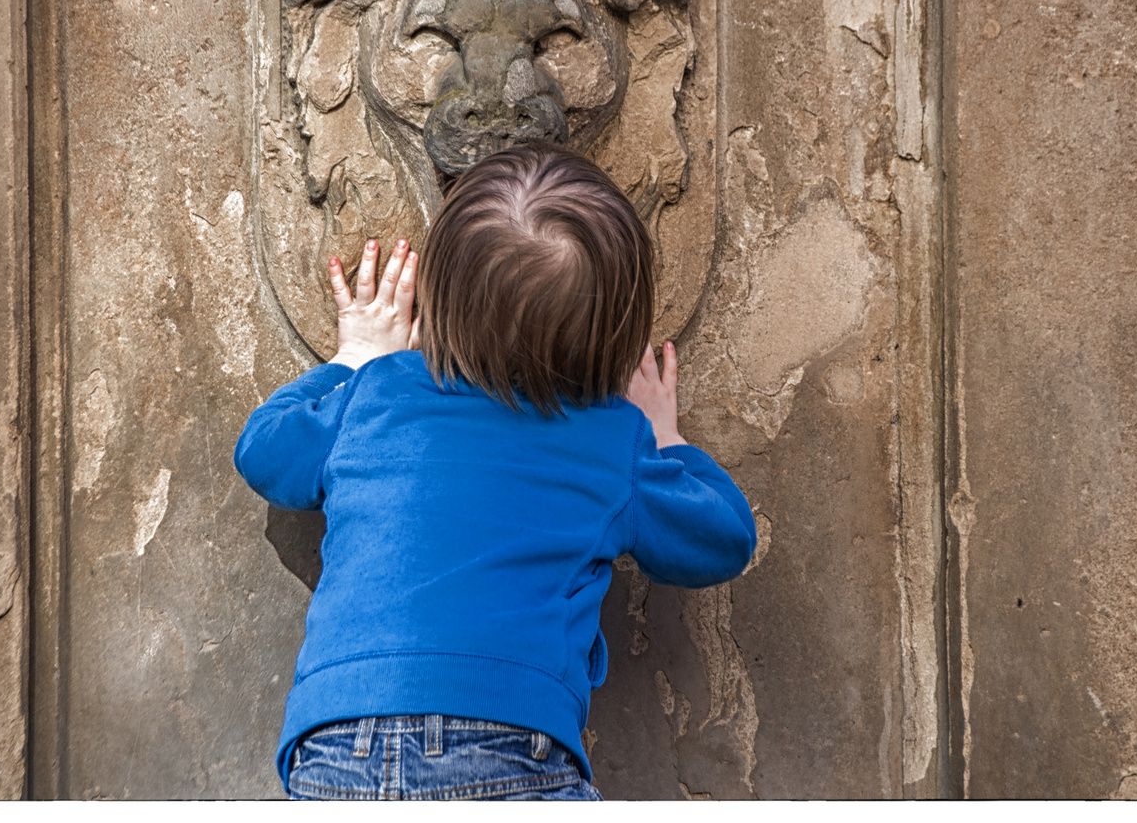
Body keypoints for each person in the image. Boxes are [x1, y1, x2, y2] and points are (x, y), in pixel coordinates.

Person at [234, 143, 757, 800]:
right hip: (511, 747)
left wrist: (355, 358)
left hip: (338, 737)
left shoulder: (379, 392)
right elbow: (722, 537)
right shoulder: (609, 437)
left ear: (439, 291)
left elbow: (267, 452)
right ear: (614, 329)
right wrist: (664, 435)